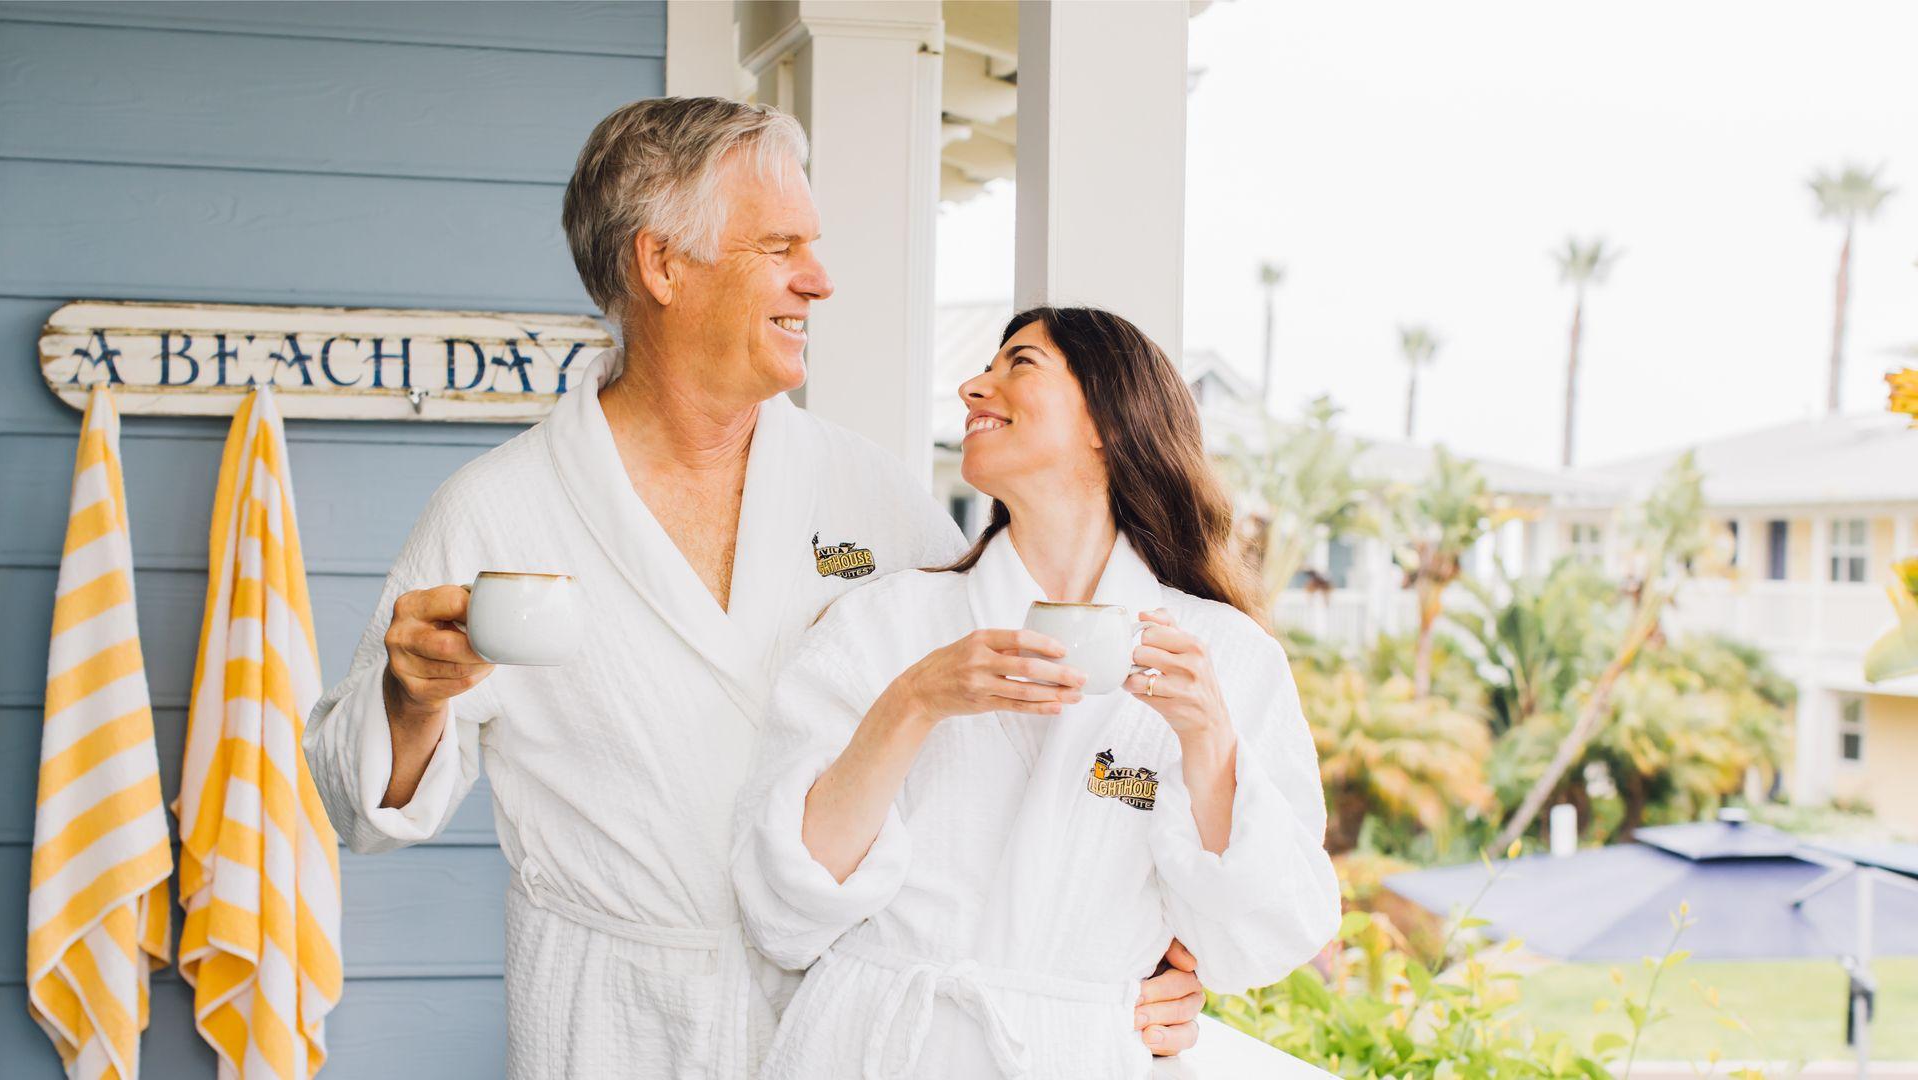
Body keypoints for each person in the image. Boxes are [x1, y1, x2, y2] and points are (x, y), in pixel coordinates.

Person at [302, 97, 1205, 1079]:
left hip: (842, 1021)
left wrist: (1136, 957)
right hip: (613, 1022)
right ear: (660, 265)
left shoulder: (874, 494)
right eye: (780, 248)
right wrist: (410, 697)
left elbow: (1019, 736)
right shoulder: (498, 509)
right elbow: (360, 812)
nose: (818, 281)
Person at [733, 307, 1342, 1079]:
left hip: (1078, 1054)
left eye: (1020, 363)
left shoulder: (1225, 659)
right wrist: (915, 701)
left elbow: (1263, 939)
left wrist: (1210, 746)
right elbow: (781, 907)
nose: (973, 386)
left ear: (1110, 421)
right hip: (877, 1046)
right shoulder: (886, 623)